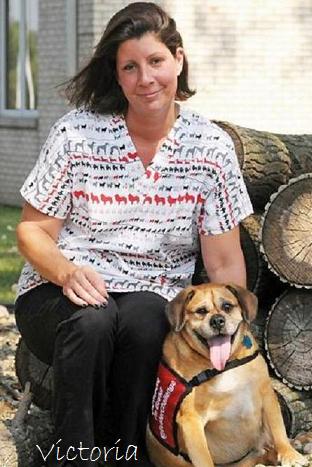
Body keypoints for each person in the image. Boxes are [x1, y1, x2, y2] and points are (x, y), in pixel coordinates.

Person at [15, 2, 253, 466]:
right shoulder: (76, 134)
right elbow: (31, 233)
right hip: (57, 293)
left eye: (156, 61)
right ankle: (75, 457)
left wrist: (235, 337)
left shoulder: (211, 148)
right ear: (118, 75)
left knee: (147, 320)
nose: (146, 78)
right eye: (130, 67)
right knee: (93, 321)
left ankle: (125, 455)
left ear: (178, 60)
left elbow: (223, 264)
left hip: (152, 293)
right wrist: (66, 272)